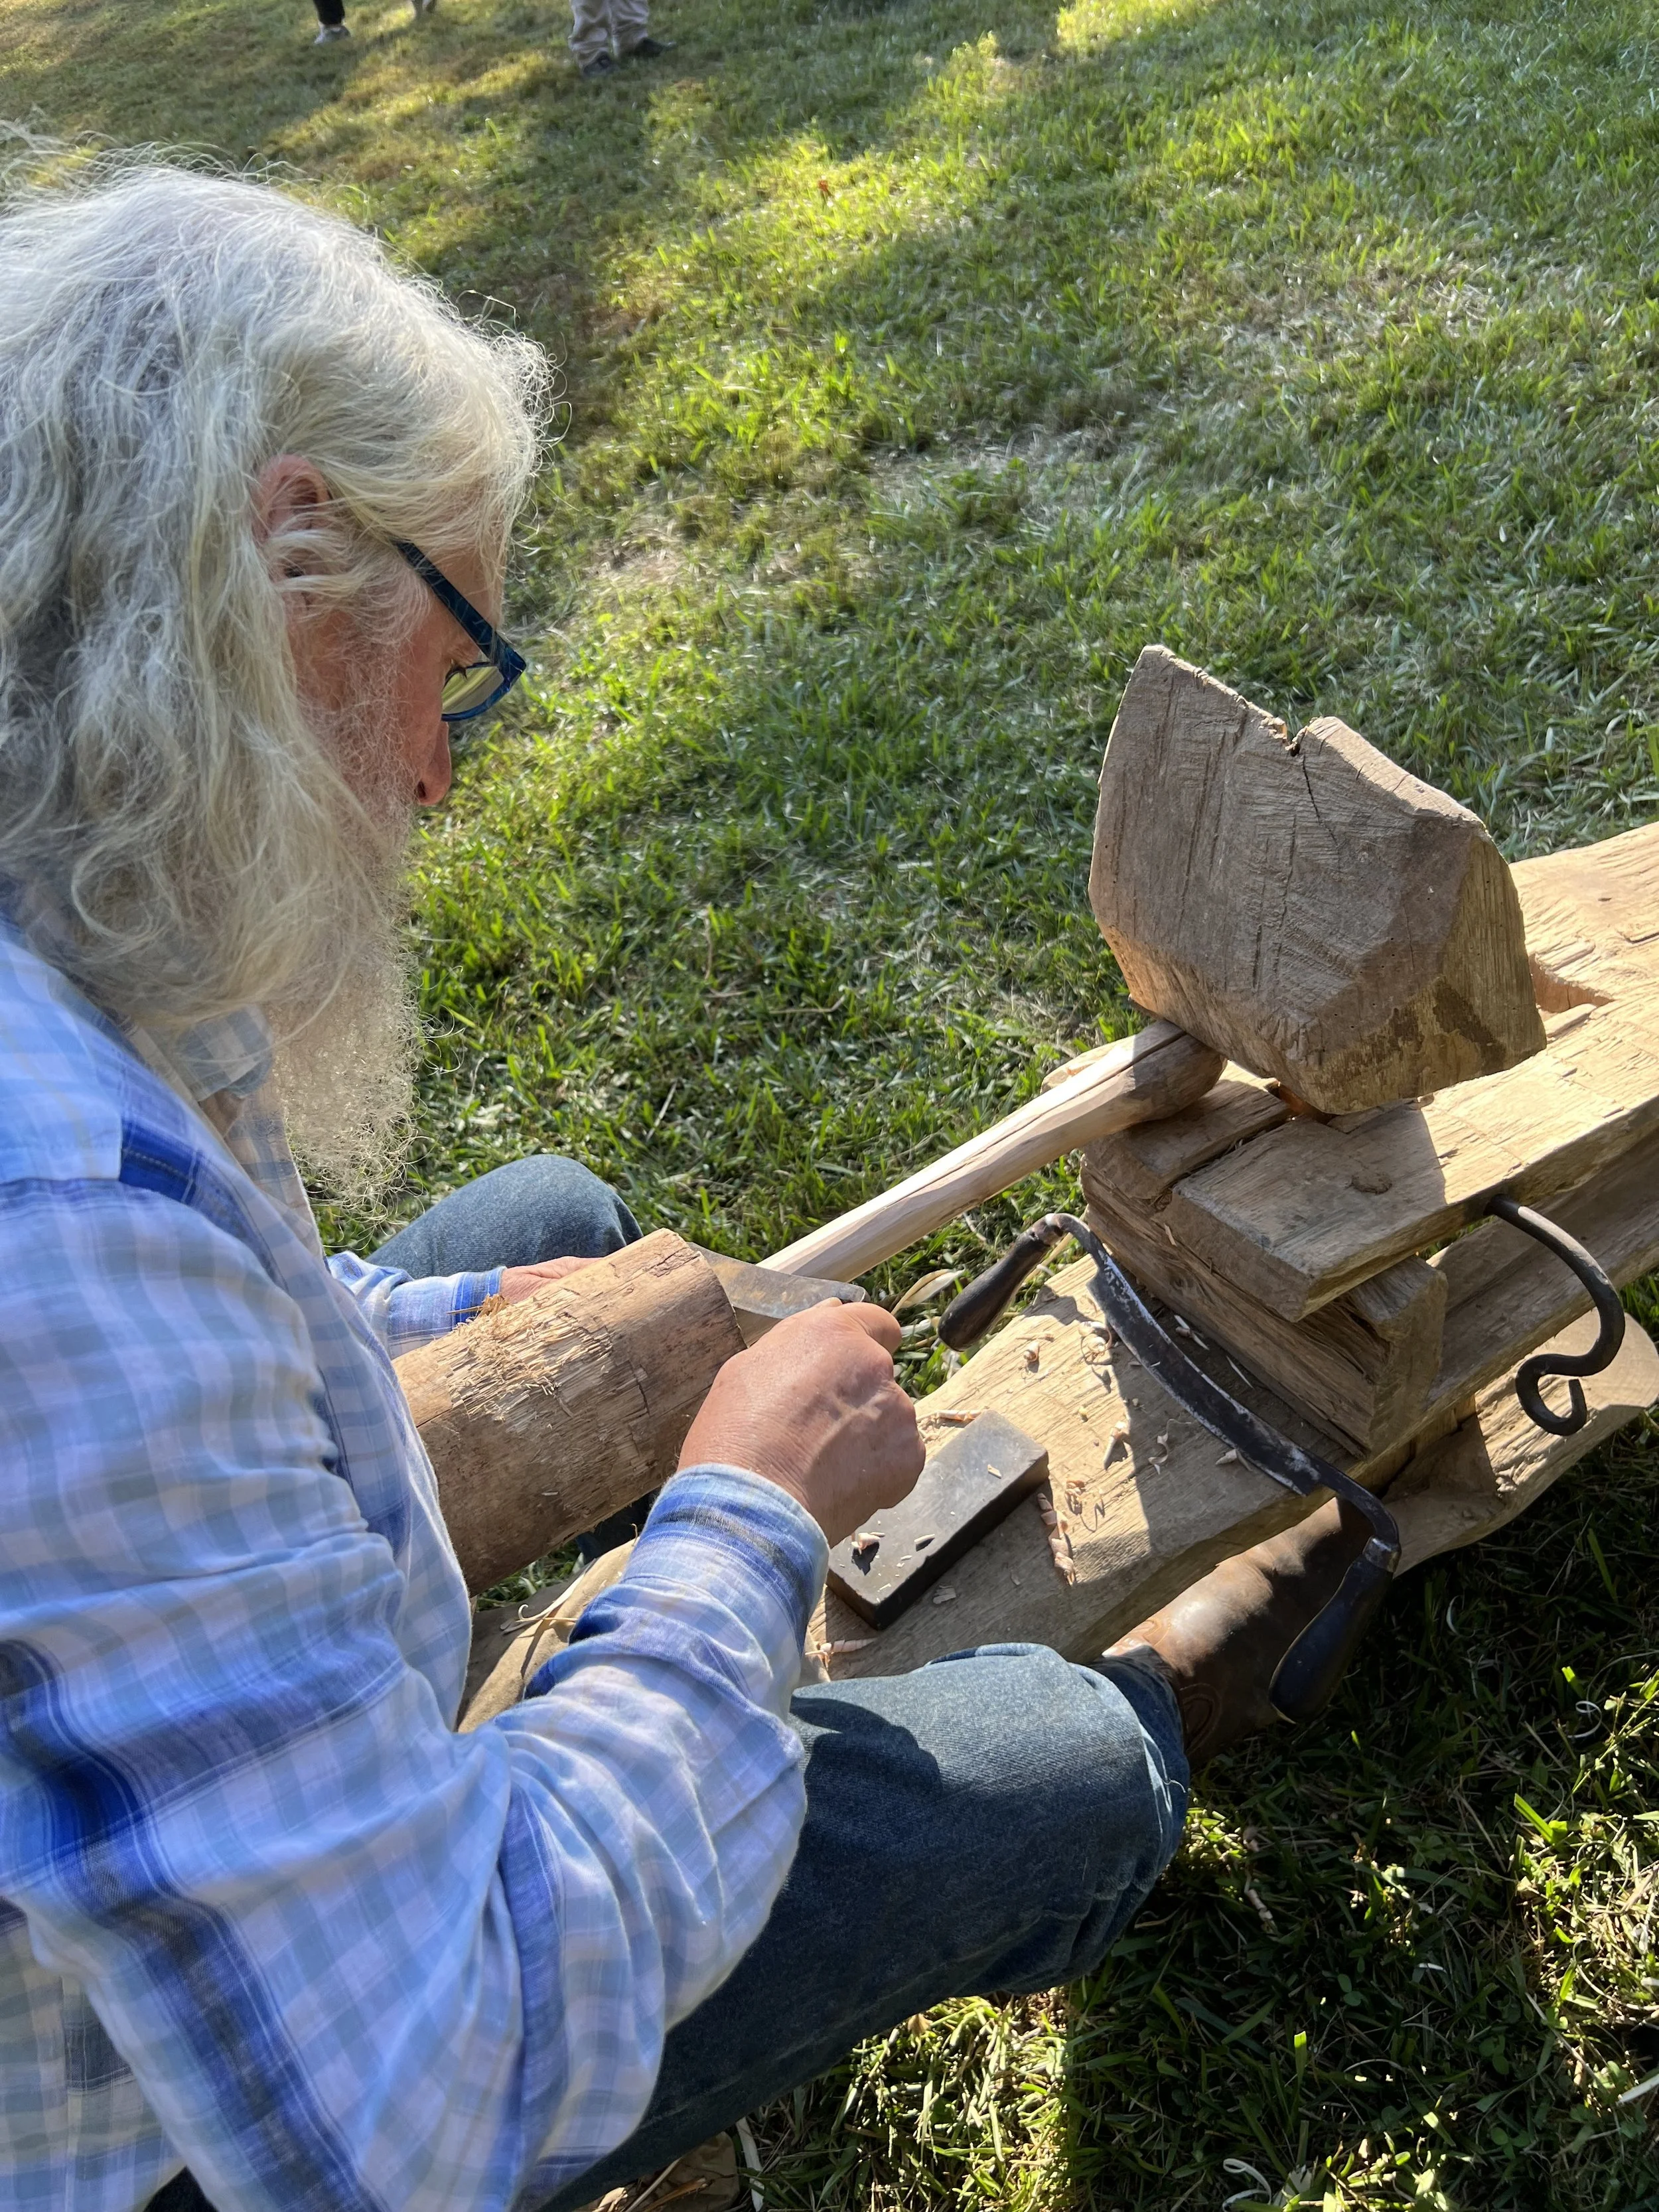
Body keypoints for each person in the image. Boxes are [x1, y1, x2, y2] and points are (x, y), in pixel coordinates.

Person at [0, 160, 1377, 2212]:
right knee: (1040, 1774)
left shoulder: (71, 927)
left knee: (547, 1214)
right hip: (205, 2127)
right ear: (288, 561)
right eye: (454, 661)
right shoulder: (61, 1248)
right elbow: (413, 2108)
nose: (443, 771)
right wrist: (735, 1529)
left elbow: (237, 1292)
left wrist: (509, 1337)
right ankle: (1147, 1724)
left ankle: (555, 1711)